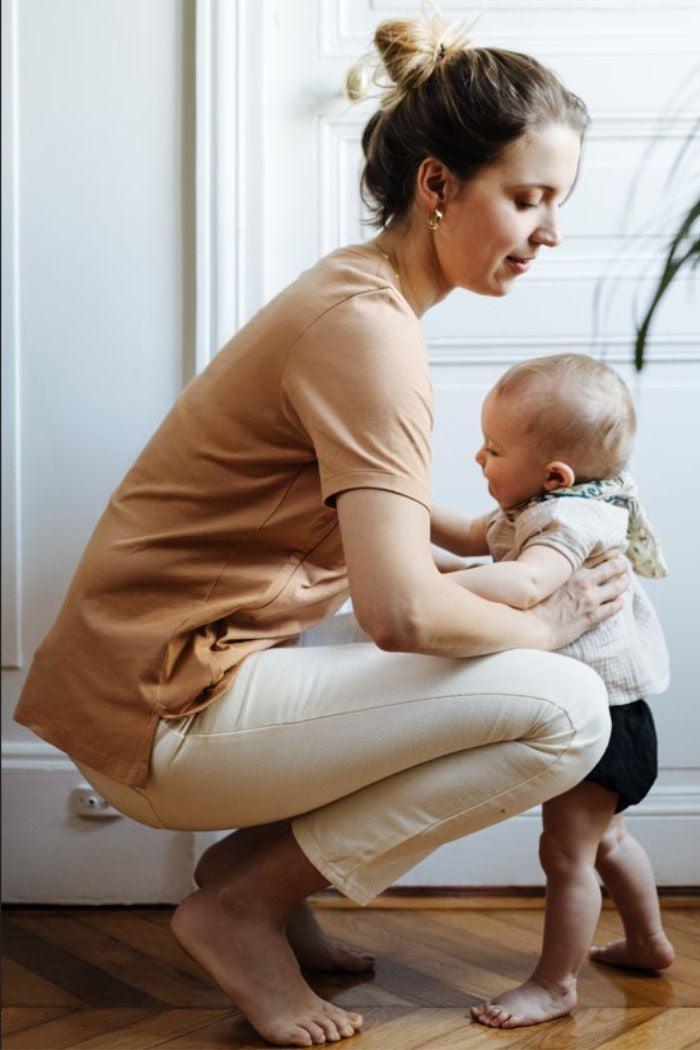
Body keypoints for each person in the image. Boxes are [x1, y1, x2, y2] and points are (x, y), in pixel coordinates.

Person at [12, 12, 630, 1049]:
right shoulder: (369, 336)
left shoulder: (356, 292)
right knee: (567, 707)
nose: (548, 232)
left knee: (471, 654)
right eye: (528, 199)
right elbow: (396, 613)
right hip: (167, 705)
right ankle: (242, 905)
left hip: (153, 678)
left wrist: (473, 539)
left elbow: (342, 478)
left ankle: (256, 877)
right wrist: (546, 623)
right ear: (439, 187)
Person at [430, 353, 673, 1029]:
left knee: (566, 855)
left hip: (603, 721)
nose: (479, 456)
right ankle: (649, 942)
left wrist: (420, 592)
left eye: (494, 448)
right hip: (621, 715)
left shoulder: (569, 522)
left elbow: (522, 585)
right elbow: (464, 536)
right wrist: (398, 511)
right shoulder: (533, 506)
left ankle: (554, 983)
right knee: (609, 840)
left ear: (555, 474)